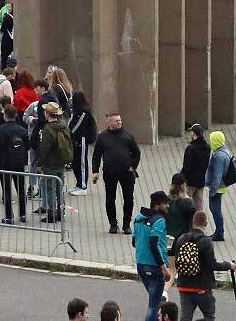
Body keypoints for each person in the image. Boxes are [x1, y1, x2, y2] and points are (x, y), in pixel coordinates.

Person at [170, 210, 231, 321]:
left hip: (184, 286)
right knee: (209, 317)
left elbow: (177, 260)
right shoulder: (206, 241)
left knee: (185, 318)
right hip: (202, 287)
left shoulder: (181, 239)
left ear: (192, 223)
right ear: (206, 223)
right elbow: (212, 265)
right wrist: (229, 265)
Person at [93, 112, 142, 235]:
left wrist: (133, 167)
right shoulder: (102, 137)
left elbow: (137, 153)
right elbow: (96, 155)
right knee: (110, 199)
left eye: (120, 120)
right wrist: (95, 171)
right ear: (109, 123)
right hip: (109, 173)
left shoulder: (128, 136)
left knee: (128, 199)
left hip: (126, 173)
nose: (119, 122)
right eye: (116, 121)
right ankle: (113, 224)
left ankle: (126, 225)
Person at [133, 190, 172, 321]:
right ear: (157, 205)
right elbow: (153, 244)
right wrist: (164, 268)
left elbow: (134, 242)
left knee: (155, 299)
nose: (167, 206)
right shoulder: (159, 220)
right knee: (153, 306)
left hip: (141, 265)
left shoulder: (138, 218)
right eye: (165, 203)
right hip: (154, 266)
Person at [205, 130, 231, 242]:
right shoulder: (224, 151)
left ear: (216, 141)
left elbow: (217, 174)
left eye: (212, 140)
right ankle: (218, 231)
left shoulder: (219, 156)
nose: (210, 142)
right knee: (215, 209)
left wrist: (213, 190)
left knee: (215, 209)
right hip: (221, 185)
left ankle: (219, 233)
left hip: (218, 187)